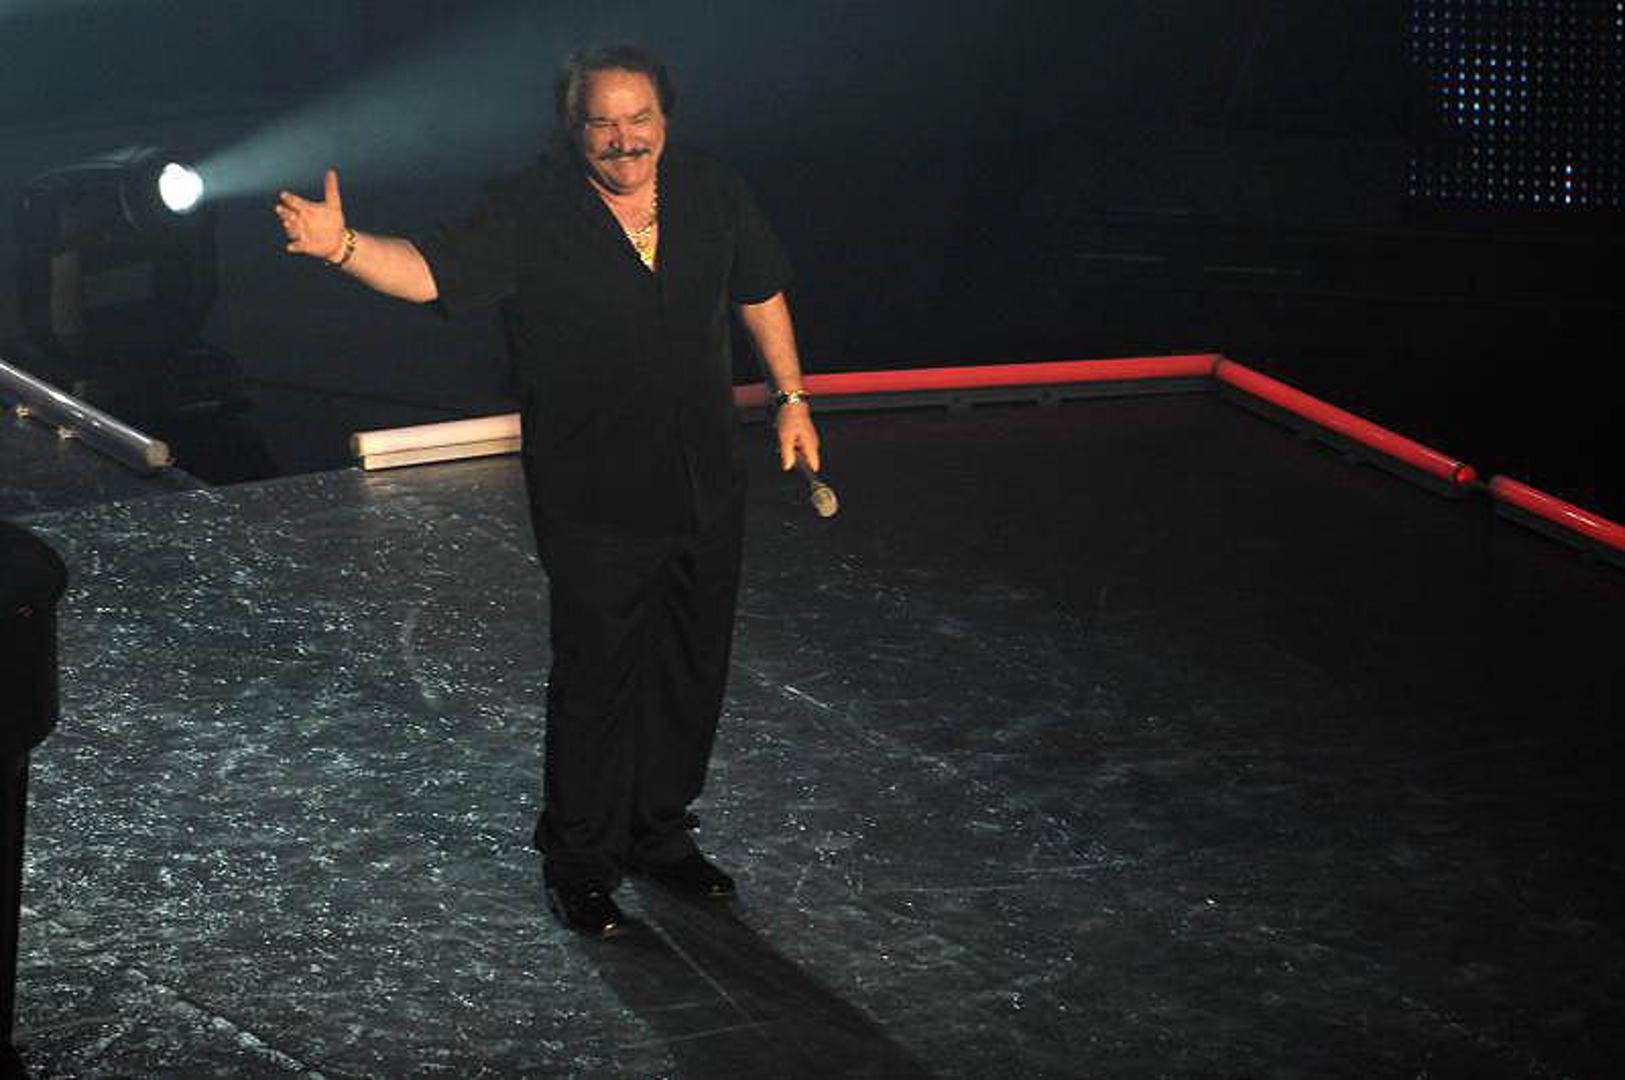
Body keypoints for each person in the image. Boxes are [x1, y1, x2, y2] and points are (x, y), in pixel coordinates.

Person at [274, 43, 820, 939]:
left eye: (638, 120)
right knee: (597, 680)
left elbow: (759, 292)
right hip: (595, 492)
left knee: (690, 669)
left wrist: (791, 399)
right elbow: (430, 273)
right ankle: (579, 861)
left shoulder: (711, 189)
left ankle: (659, 834)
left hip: (704, 482)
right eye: (602, 123)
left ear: (665, 120)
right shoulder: (530, 208)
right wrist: (342, 247)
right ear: (574, 129)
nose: (623, 139)